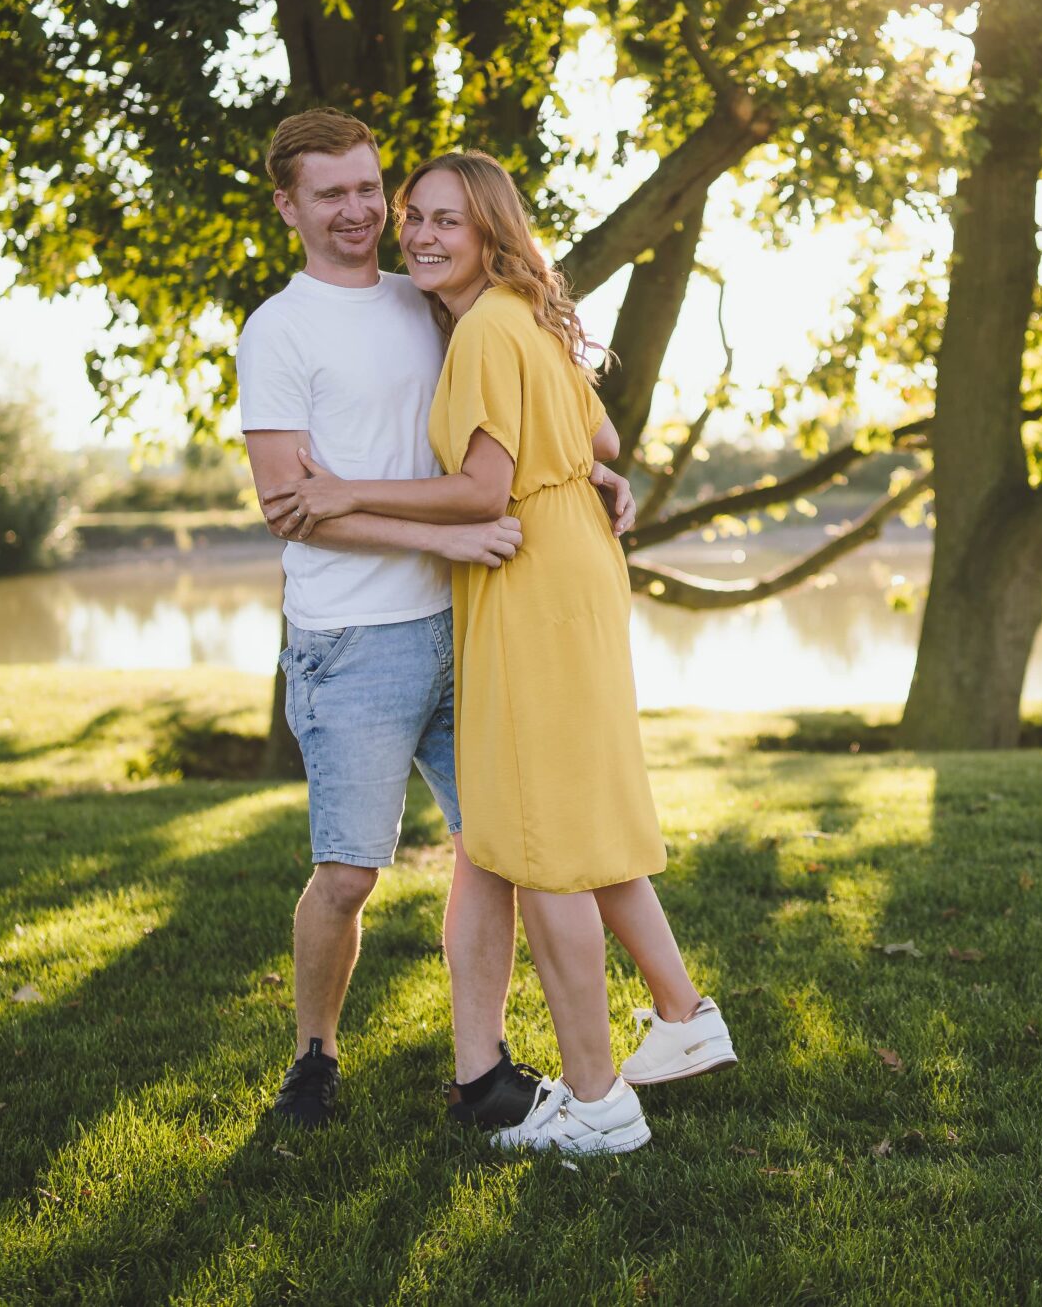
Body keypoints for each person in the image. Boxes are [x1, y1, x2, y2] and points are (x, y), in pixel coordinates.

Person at [266, 150, 736, 1157]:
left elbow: (483, 492)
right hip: (570, 563)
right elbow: (600, 444)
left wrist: (347, 490)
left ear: (491, 230)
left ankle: (598, 1104)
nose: (422, 236)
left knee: (544, 840)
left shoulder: (482, 327)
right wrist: (584, 482)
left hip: (525, 574)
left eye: (447, 221)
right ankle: (682, 1019)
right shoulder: (525, 311)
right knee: (559, 817)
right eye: (413, 217)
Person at [236, 109, 626, 1134]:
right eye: (333, 194)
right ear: (289, 207)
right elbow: (291, 504)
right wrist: (446, 541)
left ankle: (482, 1069)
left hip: (470, 625)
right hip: (352, 639)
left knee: (494, 848)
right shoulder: (278, 331)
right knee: (349, 870)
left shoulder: (433, 300)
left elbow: (527, 411)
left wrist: (593, 475)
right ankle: (313, 1055)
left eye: (372, 190)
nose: (362, 211)